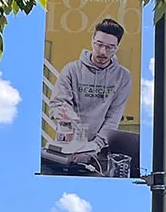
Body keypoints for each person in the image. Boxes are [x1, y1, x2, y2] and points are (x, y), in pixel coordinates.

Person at [47, 18, 137, 170]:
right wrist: (64, 115)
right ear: (92, 41)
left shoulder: (123, 76)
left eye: (110, 47)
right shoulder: (71, 70)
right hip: (67, 146)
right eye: (99, 44)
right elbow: (56, 104)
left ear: (117, 47)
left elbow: (113, 117)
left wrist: (96, 144)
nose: (103, 52)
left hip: (100, 150)